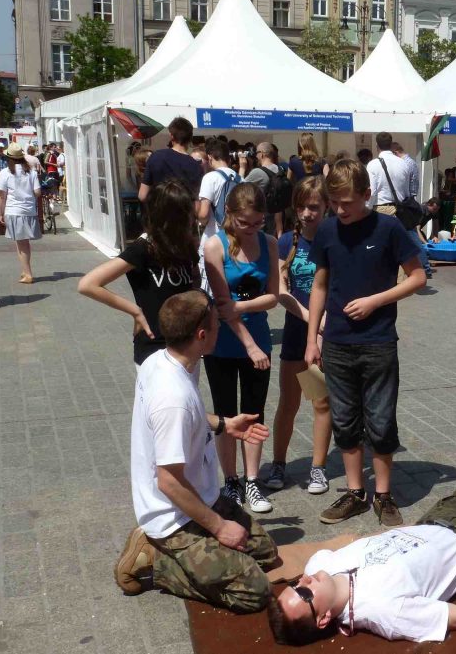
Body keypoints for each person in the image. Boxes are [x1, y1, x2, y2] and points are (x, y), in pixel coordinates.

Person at [113, 291, 279, 612]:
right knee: (255, 591)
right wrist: (219, 528)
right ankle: (155, 558)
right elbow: (168, 482)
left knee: (266, 554)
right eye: (218, 324)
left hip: (201, 497)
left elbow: (186, 420)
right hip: (173, 517)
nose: (221, 329)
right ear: (202, 335)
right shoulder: (172, 398)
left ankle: (199, 553)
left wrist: (224, 424)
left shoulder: (161, 360)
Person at [304, 159, 425, 527]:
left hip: (378, 341)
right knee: (344, 421)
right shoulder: (328, 230)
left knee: (381, 421)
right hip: (337, 342)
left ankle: (383, 495)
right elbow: (320, 285)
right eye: (334, 203)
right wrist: (312, 338)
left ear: (367, 195)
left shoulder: (388, 228)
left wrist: (376, 300)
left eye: (347, 203)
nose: (340, 210)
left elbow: (417, 277)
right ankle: (356, 493)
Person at [267, 491, 456, 645]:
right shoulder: (384, 612)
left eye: (294, 583)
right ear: (323, 618)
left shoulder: (318, 564)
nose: (305, 579)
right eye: (304, 592)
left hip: (437, 517)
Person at [204, 183, 279, 514]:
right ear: (229, 214)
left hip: (259, 339)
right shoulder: (214, 245)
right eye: (244, 222)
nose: (251, 229)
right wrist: (248, 344)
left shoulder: (269, 243)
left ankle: (252, 479)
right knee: (225, 415)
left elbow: (273, 296)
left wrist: (242, 307)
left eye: (258, 222)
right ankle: (231, 480)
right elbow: (222, 305)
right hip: (222, 343)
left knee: (254, 412)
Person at [78, 180, 199, 366]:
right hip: (154, 346)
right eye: (187, 216)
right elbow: (88, 284)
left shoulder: (185, 244)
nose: (192, 221)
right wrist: (134, 311)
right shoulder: (144, 247)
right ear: (169, 218)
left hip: (186, 345)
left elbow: (193, 285)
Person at [263, 176, 333, 496]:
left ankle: (318, 468)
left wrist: (322, 327)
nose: (307, 213)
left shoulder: (333, 240)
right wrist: (311, 322)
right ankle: (279, 463)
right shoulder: (285, 242)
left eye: (314, 207)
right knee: (288, 403)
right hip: (297, 333)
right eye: (302, 206)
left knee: (320, 401)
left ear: (327, 206)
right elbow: (280, 291)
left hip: (324, 336)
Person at [197, 139, 241, 290]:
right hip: (234, 242)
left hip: (212, 239)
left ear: (210, 157)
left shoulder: (210, 178)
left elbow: (203, 215)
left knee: (209, 288)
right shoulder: (241, 179)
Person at [0, 143, 42, 284]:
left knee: (21, 243)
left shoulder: (5, 172)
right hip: (29, 210)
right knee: (22, 242)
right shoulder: (31, 172)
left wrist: (0, 213)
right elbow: (37, 192)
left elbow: (2, 196)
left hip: (14, 210)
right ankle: (25, 269)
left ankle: (28, 273)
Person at [138, 117, 202, 204]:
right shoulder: (196, 166)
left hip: (159, 210)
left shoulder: (156, 157)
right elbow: (196, 203)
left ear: (171, 136)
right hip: (184, 211)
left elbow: (142, 195)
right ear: (190, 138)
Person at [241, 142, 286, 238]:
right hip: (276, 218)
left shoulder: (258, 172)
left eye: (256, 153)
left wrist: (242, 168)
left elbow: (239, 189)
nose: (255, 156)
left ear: (261, 154)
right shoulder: (280, 170)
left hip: (262, 220)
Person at [366, 132, 412, 217]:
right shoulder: (403, 163)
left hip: (381, 210)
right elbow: (407, 192)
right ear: (391, 145)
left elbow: (372, 192)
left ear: (377, 145)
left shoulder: (373, 164)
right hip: (400, 210)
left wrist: (367, 209)